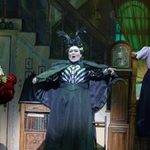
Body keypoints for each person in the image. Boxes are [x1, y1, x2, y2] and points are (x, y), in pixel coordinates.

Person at [22, 28, 116, 150]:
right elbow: (52, 76)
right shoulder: (61, 66)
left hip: (81, 101)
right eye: (71, 51)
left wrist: (107, 71)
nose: (73, 53)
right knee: (60, 127)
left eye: (76, 51)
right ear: (68, 53)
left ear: (81, 54)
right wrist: (39, 79)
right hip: (62, 100)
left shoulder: (87, 67)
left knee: (80, 128)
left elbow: (97, 73)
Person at [132, 46, 150, 137]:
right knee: (145, 103)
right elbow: (136, 55)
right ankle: (144, 131)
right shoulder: (148, 49)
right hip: (149, 78)